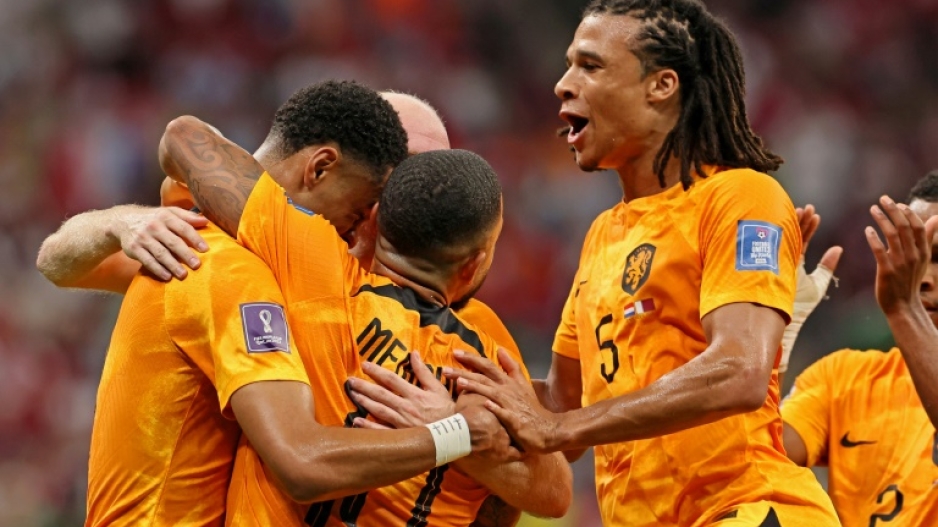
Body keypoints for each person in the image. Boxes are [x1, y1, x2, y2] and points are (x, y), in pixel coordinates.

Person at [430, 1, 840, 525]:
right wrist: (448, 388)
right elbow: (560, 406)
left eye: (590, 65)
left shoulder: (740, 195)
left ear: (661, 85)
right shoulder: (603, 234)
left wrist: (559, 428)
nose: (562, 84)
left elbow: (740, 372)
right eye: (569, 66)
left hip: (749, 507)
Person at [51, 80, 520, 527]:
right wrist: (120, 222)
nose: (398, 208)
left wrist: (477, 432)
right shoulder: (214, 254)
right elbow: (302, 460)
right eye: (374, 198)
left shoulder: (388, 304)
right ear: (322, 167)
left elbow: (540, 484)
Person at [159, 116, 571, 526]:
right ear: (474, 263)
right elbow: (553, 493)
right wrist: (458, 434)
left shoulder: (308, 258)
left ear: (376, 219)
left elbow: (185, 136)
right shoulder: (484, 360)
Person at [781, 173, 938, 526]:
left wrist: (904, 309)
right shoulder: (843, 378)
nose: (921, 278)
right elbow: (753, 461)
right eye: (910, 256)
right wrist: (769, 330)